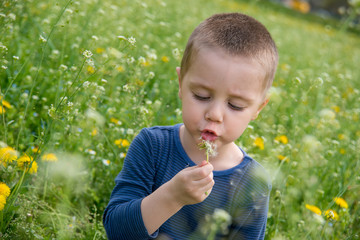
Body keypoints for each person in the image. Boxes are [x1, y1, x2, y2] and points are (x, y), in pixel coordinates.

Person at [103, 12, 278, 240]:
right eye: (201, 95)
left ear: (258, 109)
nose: (214, 115)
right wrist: (172, 196)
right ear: (180, 83)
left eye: (235, 105)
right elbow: (116, 231)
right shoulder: (152, 146)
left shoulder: (252, 182)